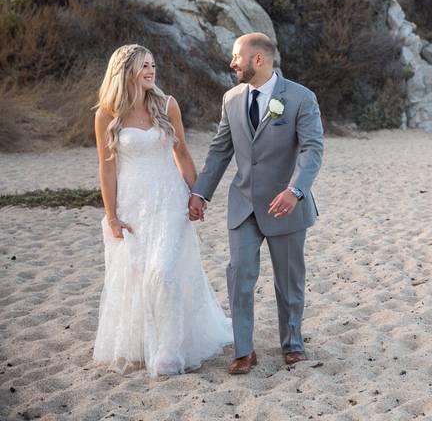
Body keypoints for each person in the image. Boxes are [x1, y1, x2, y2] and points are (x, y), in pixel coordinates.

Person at [92, 44, 232, 377]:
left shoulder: (166, 105)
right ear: (125, 71)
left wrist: (197, 194)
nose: (151, 71)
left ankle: (168, 352)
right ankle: (144, 345)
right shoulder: (106, 113)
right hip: (132, 204)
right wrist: (111, 215)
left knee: (163, 273)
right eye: (143, 66)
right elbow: (107, 168)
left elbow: (181, 154)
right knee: (138, 275)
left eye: (152, 64)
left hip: (170, 200)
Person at [190, 32, 324, 375]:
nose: (232, 63)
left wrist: (295, 192)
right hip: (244, 204)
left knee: (289, 279)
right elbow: (220, 150)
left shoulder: (300, 98)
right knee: (239, 275)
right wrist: (200, 193)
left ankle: (292, 344)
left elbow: (312, 151)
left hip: (286, 205)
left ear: (258, 59)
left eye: (237, 56)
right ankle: (244, 351)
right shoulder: (231, 99)